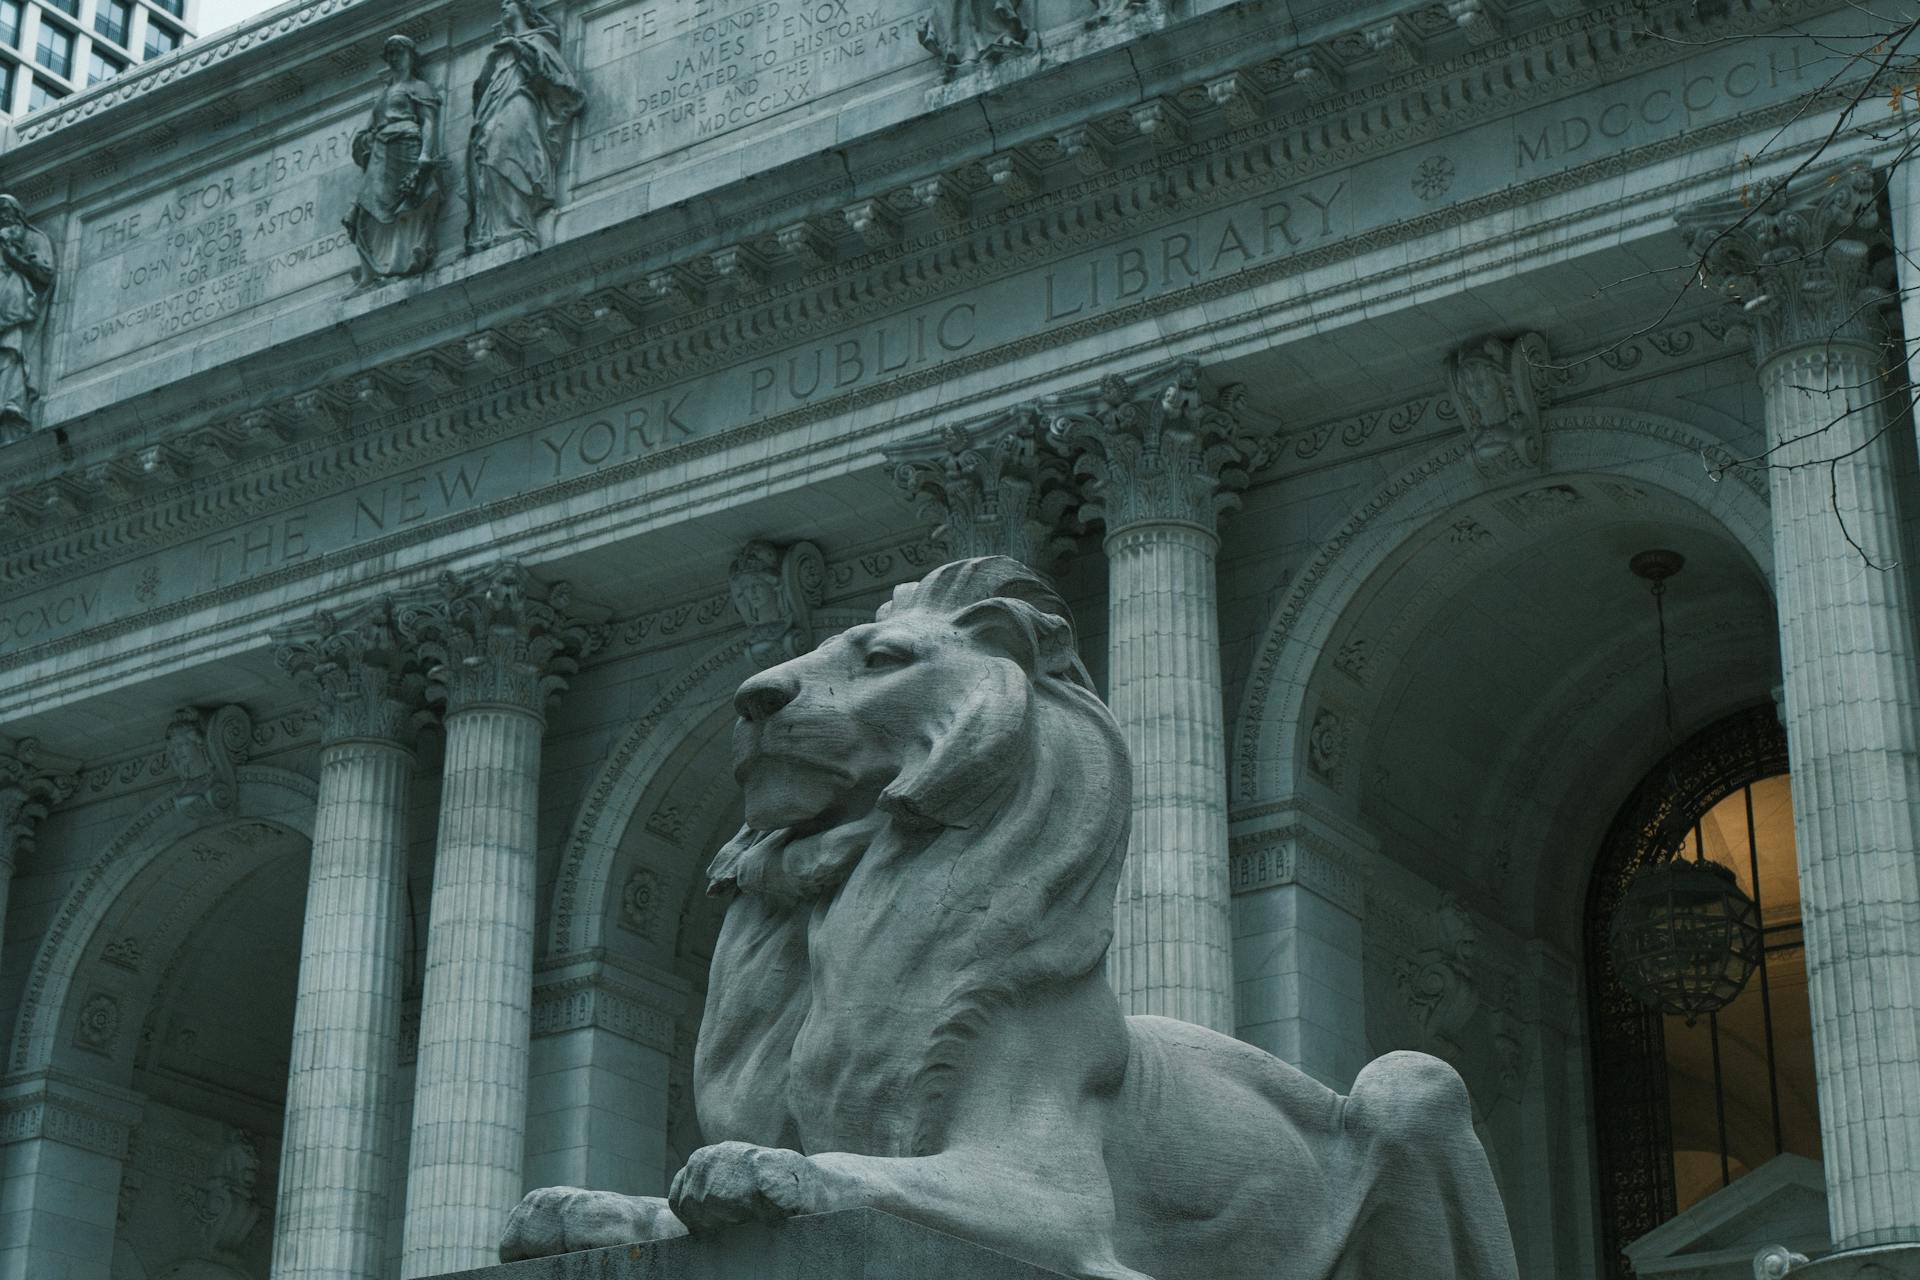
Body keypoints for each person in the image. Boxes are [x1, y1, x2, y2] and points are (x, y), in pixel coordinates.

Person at [466, 0, 584, 254]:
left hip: (520, 103)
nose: (503, 6)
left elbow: (551, 77)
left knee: (502, 150)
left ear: (524, 9)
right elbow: (480, 89)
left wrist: (517, 47)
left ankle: (518, 223)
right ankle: (498, 228)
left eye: (510, 2)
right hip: (495, 106)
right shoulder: (499, 50)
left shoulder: (538, 40)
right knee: (487, 154)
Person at [344, 35, 446, 284]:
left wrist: (424, 156)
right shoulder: (384, 94)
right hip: (381, 154)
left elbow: (429, 122)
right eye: (390, 53)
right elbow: (367, 130)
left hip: (407, 148)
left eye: (399, 52)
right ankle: (373, 269)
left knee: (407, 204)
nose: (394, 58)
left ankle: (401, 260)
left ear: (411, 55)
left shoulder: (418, 87)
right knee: (366, 211)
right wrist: (364, 140)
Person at [0, 195, 54, 438]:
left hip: (16, 309)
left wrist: (17, 260)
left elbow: (45, 271)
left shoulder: (33, 238)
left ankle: (12, 402)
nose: (3, 216)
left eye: (7, 211)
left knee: (12, 350)